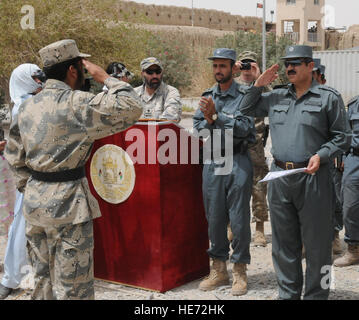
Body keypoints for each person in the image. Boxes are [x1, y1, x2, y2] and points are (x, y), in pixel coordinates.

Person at [4, 39, 143, 300]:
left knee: (42, 282)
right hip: (70, 206)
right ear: (73, 70)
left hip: (35, 205)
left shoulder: (26, 107)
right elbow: (132, 107)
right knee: (74, 288)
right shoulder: (77, 103)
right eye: (81, 65)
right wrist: (105, 78)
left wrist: (34, 188)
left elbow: (14, 157)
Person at [239, 45, 351, 300]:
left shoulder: (328, 97)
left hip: (314, 178)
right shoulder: (276, 97)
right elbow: (244, 109)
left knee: (319, 246)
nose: (289, 68)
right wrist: (258, 85)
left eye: (296, 63)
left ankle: (317, 295)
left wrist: (321, 155)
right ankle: (288, 294)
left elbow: (343, 137)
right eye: (287, 63)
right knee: (283, 245)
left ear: (310, 66)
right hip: (280, 178)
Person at [193, 48, 256, 296]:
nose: (218, 70)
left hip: (238, 159)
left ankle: (239, 270)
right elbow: (198, 128)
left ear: (233, 67)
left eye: (223, 66)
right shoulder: (207, 96)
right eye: (215, 66)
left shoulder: (245, 95)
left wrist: (216, 117)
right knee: (215, 217)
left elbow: (244, 128)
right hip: (213, 160)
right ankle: (219, 269)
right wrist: (209, 120)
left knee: (239, 220)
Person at [0, 64, 45, 299]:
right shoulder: (24, 106)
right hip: (30, 179)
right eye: (36, 78)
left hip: (45, 178)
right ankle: (11, 278)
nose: (41, 82)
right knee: (20, 227)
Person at [232, 50, 269, 247]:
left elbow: (275, 100)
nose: (247, 68)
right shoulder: (232, 84)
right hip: (234, 143)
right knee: (232, 186)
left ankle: (260, 229)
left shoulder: (262, 86)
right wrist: (232, 71)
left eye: (250, 64)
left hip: (255, 144)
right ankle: (230, 226)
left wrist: (260, 78)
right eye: (243, 63)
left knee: (259, 187)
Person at [334, 95, 359, 267]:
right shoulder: (353, 104)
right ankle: (354, 249)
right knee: (349, 206)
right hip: (355, 159)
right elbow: (345, 132)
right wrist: (342, 155)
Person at [134, 57, 182, 122]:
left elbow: (169, 119)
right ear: (142, 74)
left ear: (162, 72)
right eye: (150, 72)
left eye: (158, 71)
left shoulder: (170, 92)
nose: (155, 76)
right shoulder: (133, 93)